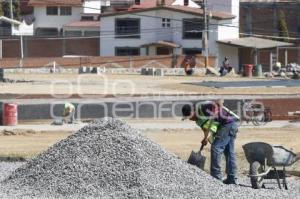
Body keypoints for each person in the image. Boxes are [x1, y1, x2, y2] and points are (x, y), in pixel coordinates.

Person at [181, 100, 240, 184]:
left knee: (216, 147)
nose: (190, 119)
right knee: (229, 152)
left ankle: (216, 178)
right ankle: (232, 178)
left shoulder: (203, 107)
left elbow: (218, 101)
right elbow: (205, 128)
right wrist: (205, 138)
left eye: (190, 116)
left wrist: (216, 108)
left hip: (228, 123)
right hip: (227, 125)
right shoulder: (197, 119)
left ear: (193, 111)